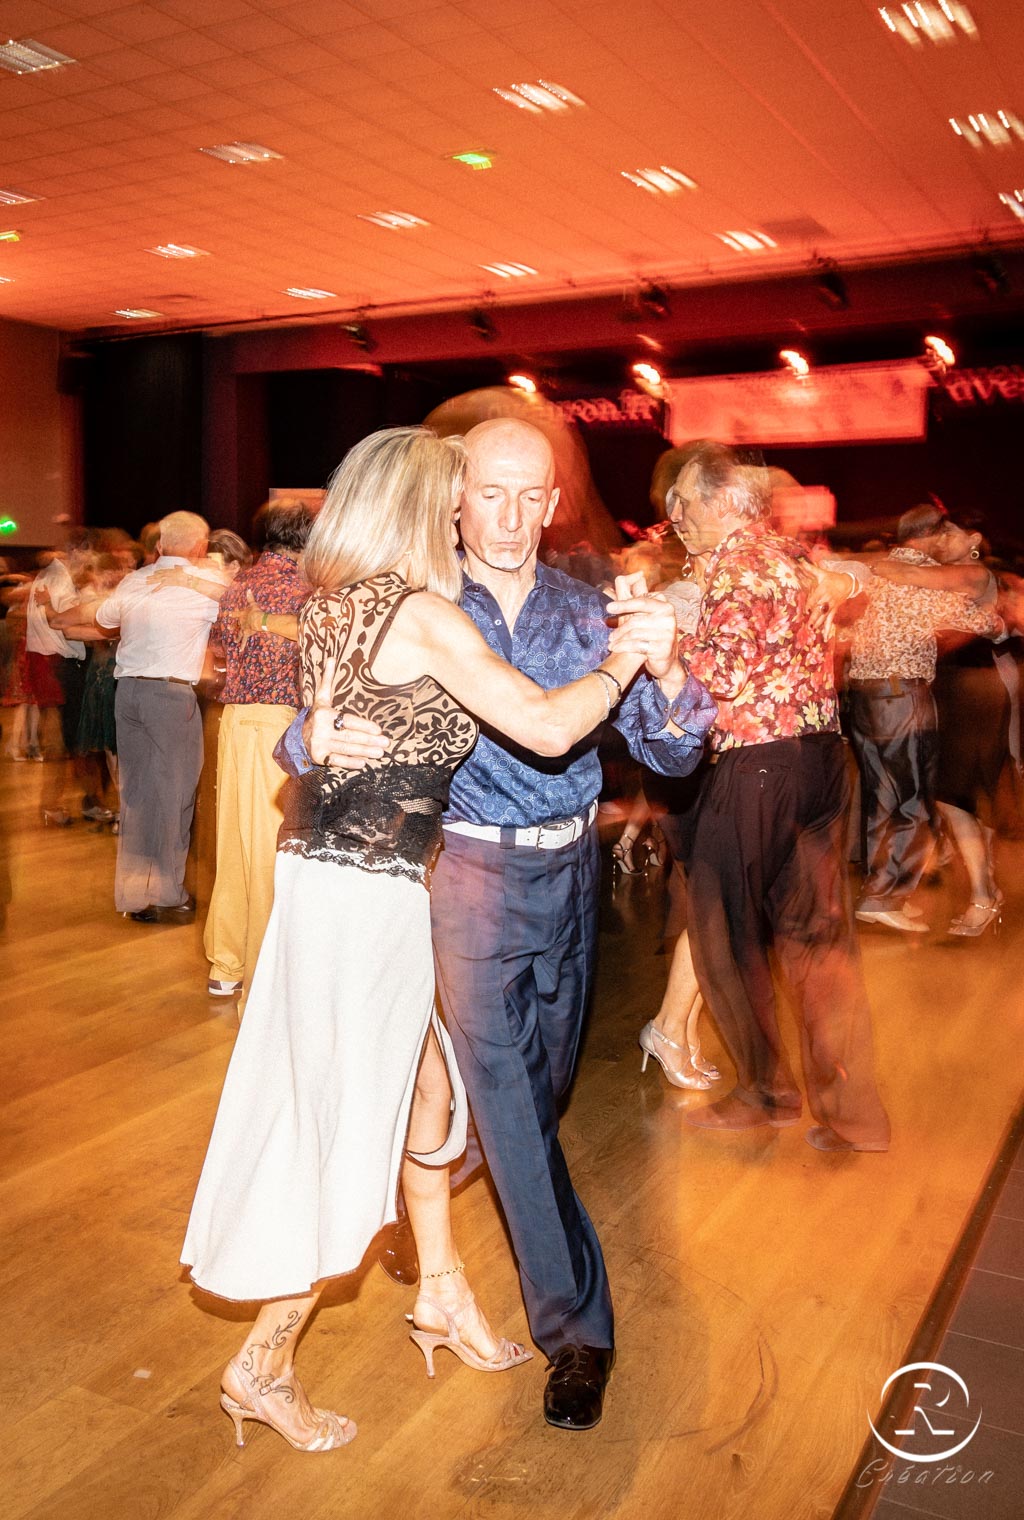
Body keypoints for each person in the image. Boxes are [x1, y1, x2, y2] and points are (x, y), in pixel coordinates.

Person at [180, 425, 671, 1452]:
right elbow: (541, 726)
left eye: (508, 496)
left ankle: (440, 1284)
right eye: (464, 495)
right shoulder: (429, 615)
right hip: (385, 894)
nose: (477, 515)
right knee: (351, 1122)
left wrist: (312, 739)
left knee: (423, 1097)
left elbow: (324, 724)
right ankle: (262, 1360)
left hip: (332, 879)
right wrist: (629, 656)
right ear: (428, 507)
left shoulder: (335, 606)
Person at [290, 418, 715, 1431]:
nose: (514, 516)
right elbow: (316, 723)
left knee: (539, 1087)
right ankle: (575, 1333)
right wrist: (311, 736)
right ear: (453, 494)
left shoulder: (588, 606)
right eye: (492, 492)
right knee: (518, 1101)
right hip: (464, 872)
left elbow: (675, 752)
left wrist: (662, 670)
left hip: (569, 871)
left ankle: (434, 1171)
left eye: (533, 495)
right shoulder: (420, 598)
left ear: (553, 500)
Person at [666, 442, 891, 1154]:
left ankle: (766, 1091)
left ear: (722, 501)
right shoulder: (795, 560)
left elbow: (718, 677)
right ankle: (856, 1113)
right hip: (822, 760)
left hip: (758, 767)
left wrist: (657, 646)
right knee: (818, 943)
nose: (677, 519)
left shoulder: (736, 563)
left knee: (723, 936)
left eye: (685, 503)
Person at [847, 505, 1002, 933]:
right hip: (901, 695)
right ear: (932, 537)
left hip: (863, 695)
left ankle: (878, 891)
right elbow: (986, 623)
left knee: (880, 795)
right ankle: (885, 896)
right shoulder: (927, 580)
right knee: (912, 799)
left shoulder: (879, 570)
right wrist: (1000, 616)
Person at [202, 499, 313, 1003]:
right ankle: (267, 970)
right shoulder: (308, 590)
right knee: (274, 848)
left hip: (234, 722)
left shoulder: (238, 585)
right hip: (279, 727)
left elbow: (222, 648)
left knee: (235, 844)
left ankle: (226, 963)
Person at [94, 512, 222, 921]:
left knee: (136, 795)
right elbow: (239, 606)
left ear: (161, 544)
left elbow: (103, 620)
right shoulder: (208, 587)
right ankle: (167, 894)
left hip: (128, 693)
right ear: (200, 548)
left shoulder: (136, 579)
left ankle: (133, 896)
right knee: (175, 796)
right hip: (170, 697)